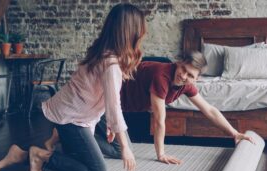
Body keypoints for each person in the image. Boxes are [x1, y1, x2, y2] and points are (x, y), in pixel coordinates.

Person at [0, 3, 147, 171]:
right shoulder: (110, 63)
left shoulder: (104, 53)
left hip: (77, 114)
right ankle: (39, 155)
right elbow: (114, 105)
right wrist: (126, 149)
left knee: (74, 163)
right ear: (130, 32)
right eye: (140, 30)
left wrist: (111, 126)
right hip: (72, 117)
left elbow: (103, 98)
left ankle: (21, 154)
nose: (142, 34)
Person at [44, 51, 255, 164]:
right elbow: (159, 119)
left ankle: (63, 134)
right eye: (183, 69)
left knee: (119, 150)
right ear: (178, 62)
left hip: (117, 110)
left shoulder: (186, 85)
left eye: (190, 75)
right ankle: (68, 134)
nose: (183, 76)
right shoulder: (162, 75)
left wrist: (234, 133)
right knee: (120, 152)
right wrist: (160, 153)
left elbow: (209, 110)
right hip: (105, 104)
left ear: (196, 79)